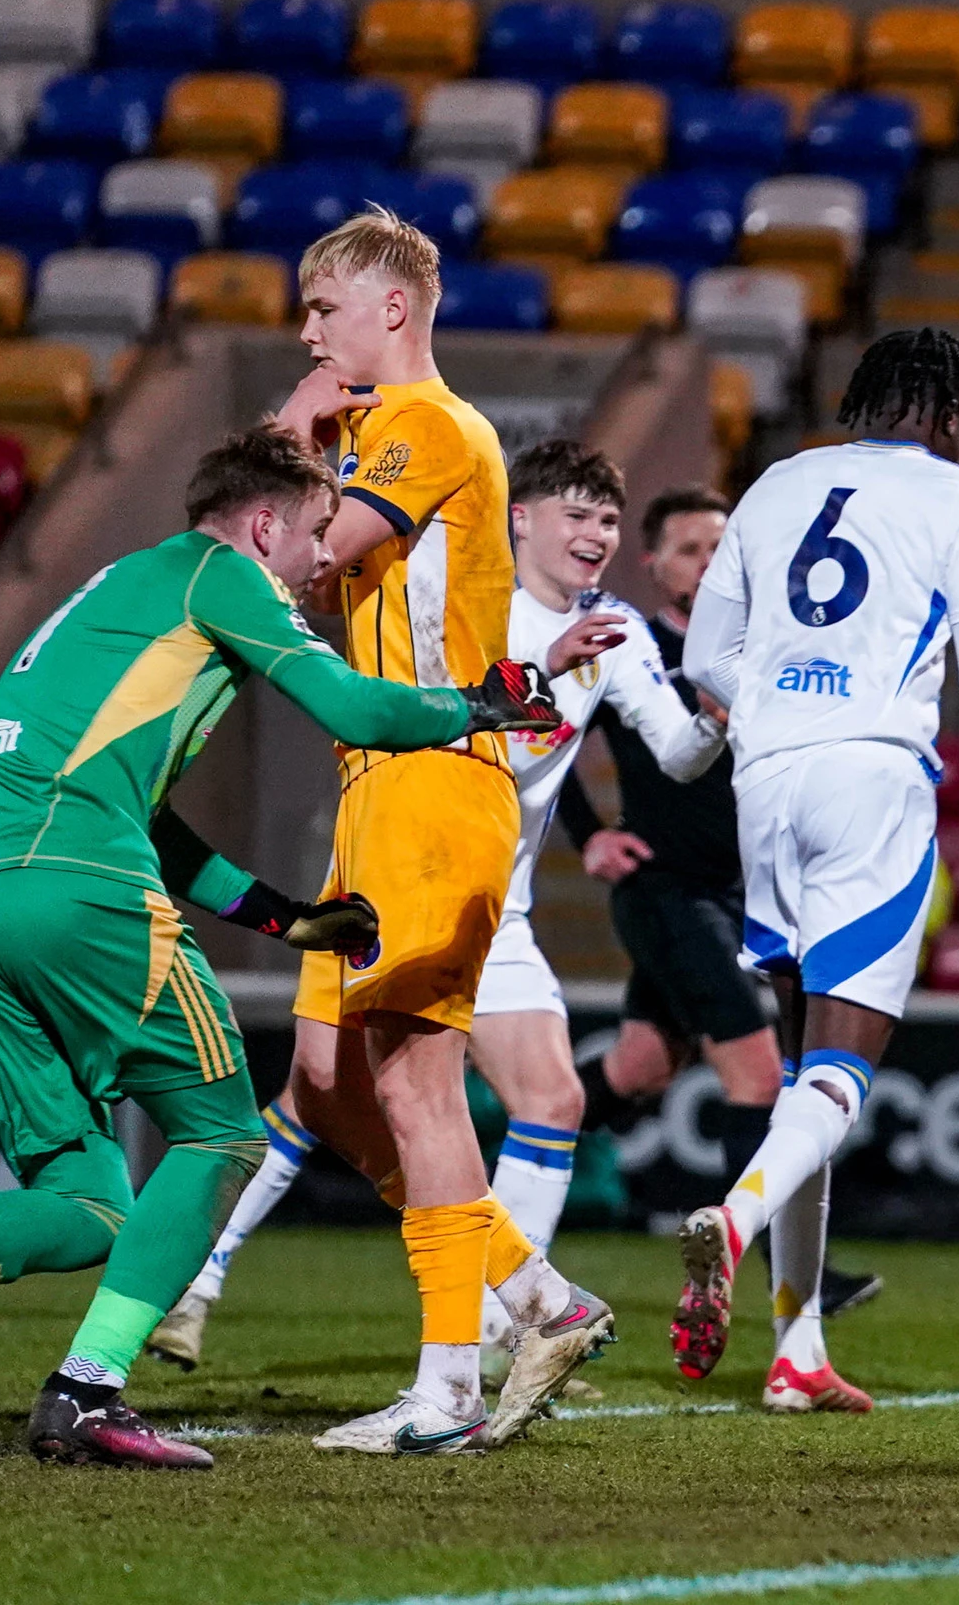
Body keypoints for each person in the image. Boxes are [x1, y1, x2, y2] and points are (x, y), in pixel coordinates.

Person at [0, 425, 581, 1465]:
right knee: (223, 1137)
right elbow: (347, 706)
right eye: (312, 535)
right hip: (76, 884)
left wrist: (287, 920)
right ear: (262, 524)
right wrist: (476, 704)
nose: (316, 565)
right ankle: (86, 1389)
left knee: (88, 1201)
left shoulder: (128, 591)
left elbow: (151, 820)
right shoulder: (223, 573)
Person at [146, 441, 722, 1375]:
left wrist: (728, 701)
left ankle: (501, 1329)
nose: (596, 535)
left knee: (529, 1096)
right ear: (520, 519)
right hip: (413, 865)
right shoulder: (469, 603)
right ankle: (222, 1281)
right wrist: (539, 662)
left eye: (609, 520)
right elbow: (444, 710)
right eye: (575, 514)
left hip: (498, 898)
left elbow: (680, 752)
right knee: (336, 1097)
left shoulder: (613, 627)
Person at [670, 328, 959, 1409]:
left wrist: (775, 700)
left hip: (765, 781)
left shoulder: (773, 485)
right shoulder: (958, 494)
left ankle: (796, 1350)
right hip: (871, 781)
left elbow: (702, 659)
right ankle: (733, 1216)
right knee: (839, 1075)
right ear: (951, 413)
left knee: (802, 1076)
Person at [258, 203, 616, 1455]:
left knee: (414, 1079)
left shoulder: (421, 424)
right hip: (375, 789)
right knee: (324, 1076)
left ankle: (449, 1384)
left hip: (431, 778)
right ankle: (541, 1295)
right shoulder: (381, 429)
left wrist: (291, 434)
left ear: (392, 310)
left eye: (324, 310)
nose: (310, 334)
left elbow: (309, 554)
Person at [558, 491, 886, 1329]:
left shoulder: (757, 649)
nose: (708, 563)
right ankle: (775, 1277)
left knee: (637, 1069)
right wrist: (590, 836)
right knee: (758, 1075)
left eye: (720, 546)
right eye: (690, 549)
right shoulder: (634, 649)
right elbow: (550, 739)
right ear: (654, 564)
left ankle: (488, 1171)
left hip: (738, 895)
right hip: (668, 894)